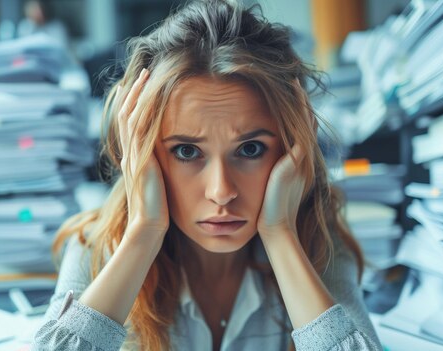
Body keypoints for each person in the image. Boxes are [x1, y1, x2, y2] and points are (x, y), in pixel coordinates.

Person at [33, 0, 381, 350]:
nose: (221, 191)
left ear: (293, 150)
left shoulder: (318, 241)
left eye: (250, 149)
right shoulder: (96, 248)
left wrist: (279, 235)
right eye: (186, 151)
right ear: (143, 153)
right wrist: (143, 234)